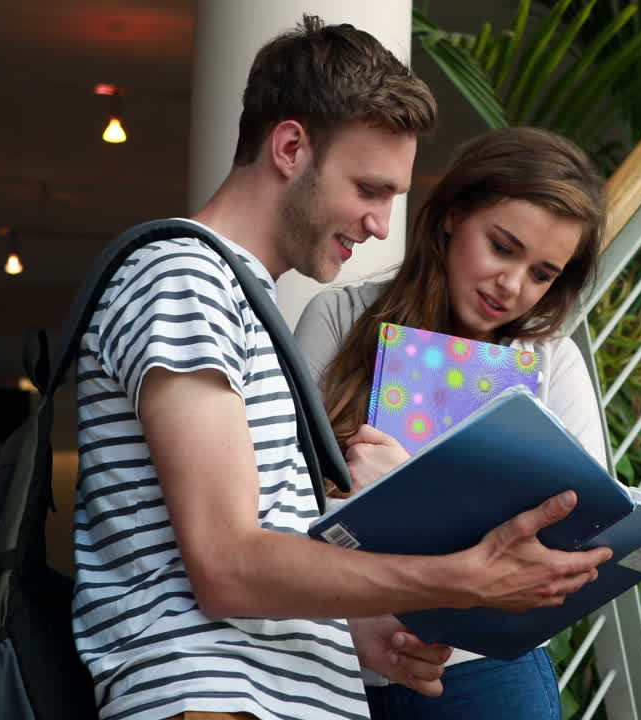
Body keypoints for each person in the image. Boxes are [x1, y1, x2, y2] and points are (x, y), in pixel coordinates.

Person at [71, 17, 611, 720]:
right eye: (369, 188)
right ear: (290, 148)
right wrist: (458, 576)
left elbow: (266, 549)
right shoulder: (185, 279)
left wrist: (357, 635)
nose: (383, 224)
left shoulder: (244, 301)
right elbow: (228, 566)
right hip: (212, 696)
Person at [294, 126, 607, 720]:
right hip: (331, 660)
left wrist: (406, 490)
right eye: (502, 247)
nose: (512, 286)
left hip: (483, 673)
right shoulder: (337, 317)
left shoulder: (550, 361)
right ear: (451, 215)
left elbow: (571, 545)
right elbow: (278, 509)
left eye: (542, 274)